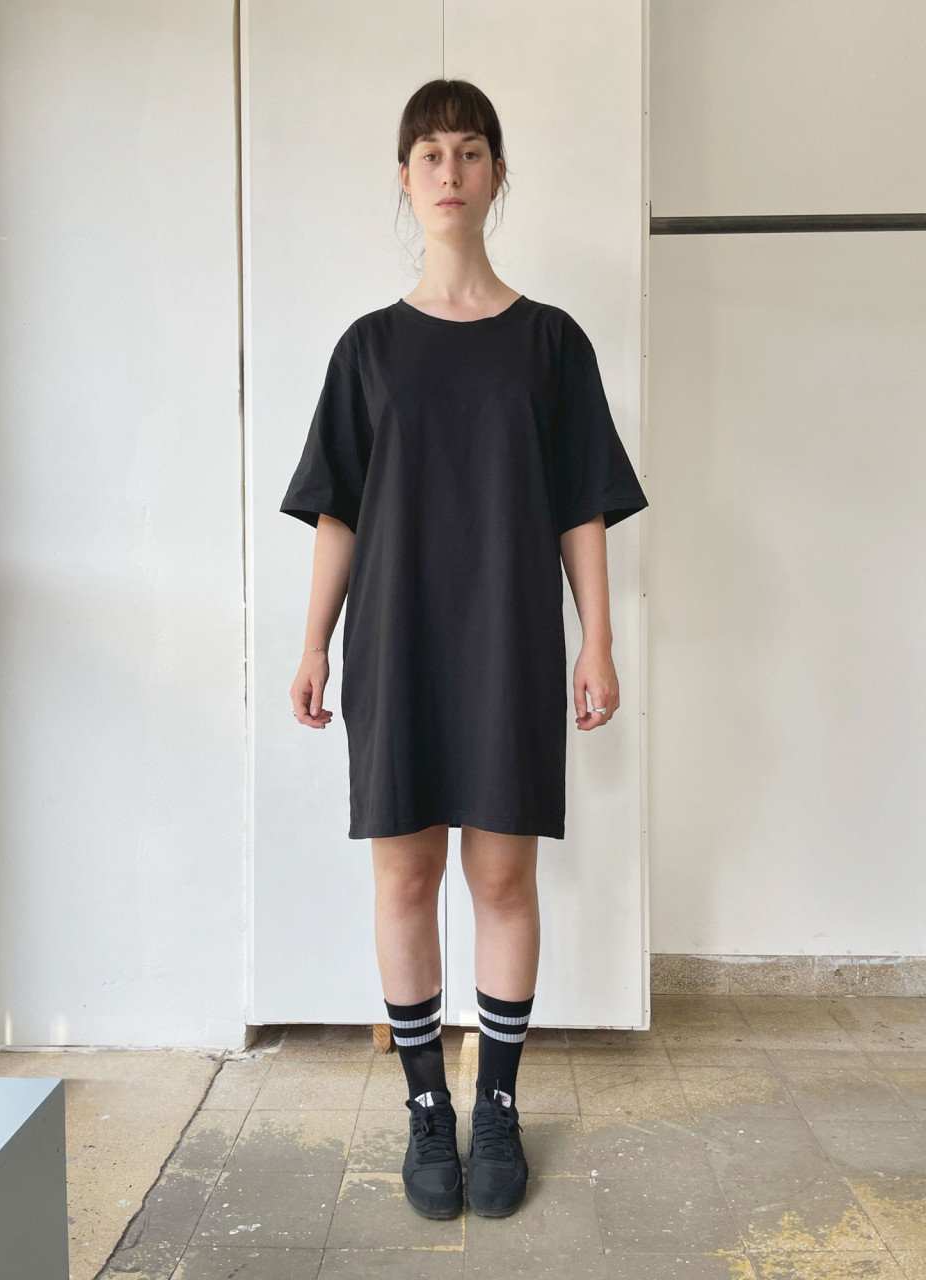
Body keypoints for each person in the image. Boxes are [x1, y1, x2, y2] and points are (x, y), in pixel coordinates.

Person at [279, 79, 648, 1221]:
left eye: (470, 150)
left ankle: (496, 1104)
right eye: (430, 153)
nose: (449, 170)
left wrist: (597, 640)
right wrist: (312, 643)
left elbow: (581, 507)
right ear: (405, 178)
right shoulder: (367, 349)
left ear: (496, 175)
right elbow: (338, 511)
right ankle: (425, 1108)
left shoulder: (552, 343)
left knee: (500, 876)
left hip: (510, 643)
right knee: (405, 874)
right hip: (396, 639)